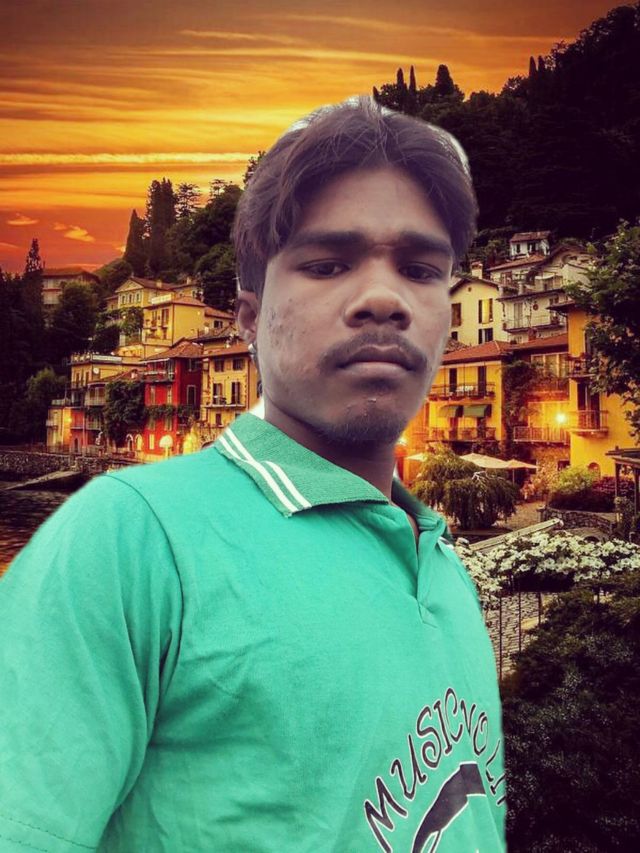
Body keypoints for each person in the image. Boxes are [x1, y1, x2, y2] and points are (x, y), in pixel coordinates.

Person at [0, 97, 505, 852]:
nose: (384, 298)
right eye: (327, 264)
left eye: (421, 269)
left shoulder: (442, 564)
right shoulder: (128, 540)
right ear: (247, 316)